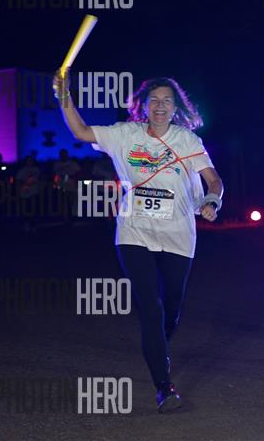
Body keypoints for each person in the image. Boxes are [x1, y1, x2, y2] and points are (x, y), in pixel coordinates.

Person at [54, 69, 224, 412]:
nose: (160, 106)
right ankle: (164, 387)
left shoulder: (187, 140)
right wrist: (64, 96)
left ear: (176, 108)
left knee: (171, 307)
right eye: (154, 100)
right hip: (134, 231)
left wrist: (212, 201)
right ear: (142, 106)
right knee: (150, 306)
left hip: (178, 233)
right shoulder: (125, 134)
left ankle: (158, 344)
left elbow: (214, 181)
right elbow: (80, 131)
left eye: (167, 101)